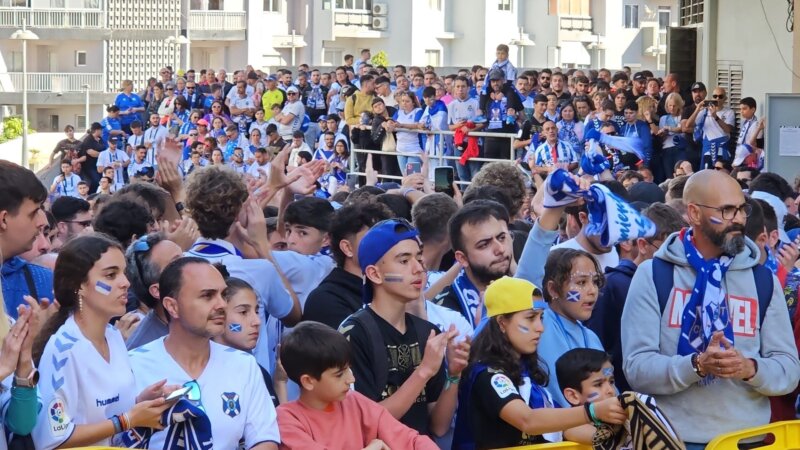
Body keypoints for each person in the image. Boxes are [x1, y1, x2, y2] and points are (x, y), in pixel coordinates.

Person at [621, 169, 800, 449]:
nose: (739, 219)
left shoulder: (761, 279)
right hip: (673, 441)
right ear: (693, 213)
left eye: (743, 209)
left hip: (747, 441)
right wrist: (696, 365)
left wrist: (750, 368)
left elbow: (788, 369)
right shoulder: (653, 274)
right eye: (728, 210)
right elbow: (637, 368)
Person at [32, 234, 172, 449]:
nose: (125, 283)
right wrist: (128, 419)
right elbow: (53, 437)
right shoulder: (64, 349)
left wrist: (141, 403)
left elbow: (106, 413)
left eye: (123, 273)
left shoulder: (113, 335)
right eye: (110, 275)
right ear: (80, 285)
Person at [451, 276, 626, 449]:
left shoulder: (527, 373)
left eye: (541, 318)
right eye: (530, 318)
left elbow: (565, 426)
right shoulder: (486, 374)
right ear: (502, 322)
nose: (540, 328)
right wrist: (593, 412)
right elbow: (528, 420)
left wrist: (620, 440)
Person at [129, 257, 280, 449]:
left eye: (223, 295)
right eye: (207, 296)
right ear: (172, 306)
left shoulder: (244, 365)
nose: (222, 305)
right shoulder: (132, 366)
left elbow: (265, 439)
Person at [339, 219, 466, 436]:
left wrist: (454, 374)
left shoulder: (427, 331)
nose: (419, 268)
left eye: (418, 257)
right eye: (404, 260)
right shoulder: (354, 333)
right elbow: (365, 423)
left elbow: (439, 426)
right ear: (374, 274)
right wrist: (424, 371)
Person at [277, 321, 438, 449]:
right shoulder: (287, 418)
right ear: (308, 381)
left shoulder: (354, 401)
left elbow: (408, 439)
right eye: (339, 374)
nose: (351, 379)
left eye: (349, 369)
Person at [587, 203, 687, 392]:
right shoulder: (614, 285)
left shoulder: (683, 284)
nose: (678, 257)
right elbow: (597, 347)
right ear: (642, 245)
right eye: (667, 248)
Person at [555, 348, 685, 449]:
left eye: (611, 382)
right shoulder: (570, 426)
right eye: (598, 384)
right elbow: (601, 438)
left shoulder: (624, 419)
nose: (610, 390)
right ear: (573, 396)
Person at [303, 202, 391, 329]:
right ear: (347, 248)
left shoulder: (390, 288)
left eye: (390, 239)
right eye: (375, 238)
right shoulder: (326, 300)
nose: (387, 246)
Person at [437, 200, 514, 328]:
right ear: (462, 258)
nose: (500, 249)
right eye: (484, 245)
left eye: (501, 238)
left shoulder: (524, 289)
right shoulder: (446, 311)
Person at [214, 277, 284, 407]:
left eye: (256, 311)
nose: (257, 321)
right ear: (218, 315)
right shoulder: (204, 372)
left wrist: (280, 382)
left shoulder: (258, 371)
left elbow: (278, 425)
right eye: (243, 312)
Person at [125, 233, 184, 350]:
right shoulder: (141, 351)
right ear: (157, 290)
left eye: (186, 256)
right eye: (178, 264)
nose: (193, 264)